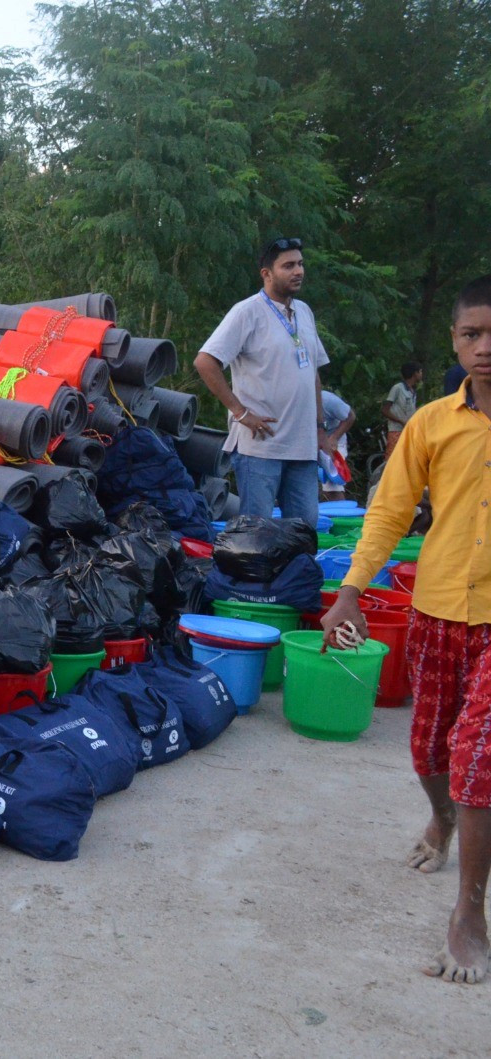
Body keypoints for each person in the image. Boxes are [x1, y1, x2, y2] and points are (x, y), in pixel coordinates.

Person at [322, 274, 491, 985]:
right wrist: (349, 593)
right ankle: (441, 820)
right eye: (472, 334)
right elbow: (390, 510)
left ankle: (468, 910)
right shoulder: (430, 423)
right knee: (428, 749)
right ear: (453, 341)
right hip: (438, 608)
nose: (485, 348)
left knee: (477, 758)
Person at [195, 237, 329, 528]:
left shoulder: (304, 312)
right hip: (261, 448)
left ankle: (296, 576)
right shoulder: (247, 312)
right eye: (288, 266)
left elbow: (313, 373)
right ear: (266, 274)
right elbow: (205, 361)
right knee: (257, 536)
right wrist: (240, 412)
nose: (298, 271)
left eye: (301, 264)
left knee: (303, 532)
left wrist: (320, 428)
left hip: (303, 447)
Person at [318, 388, 356, 499]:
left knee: (332, 485)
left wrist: (334, 438)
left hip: (333, 440)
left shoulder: (327, 400)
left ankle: (340, 514)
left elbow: (351, 416)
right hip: (310, 441)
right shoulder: (295, 400)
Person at [383, 362, 424, 456]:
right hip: (396, 430)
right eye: (420, 372)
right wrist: (400, 421)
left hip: (408, 430)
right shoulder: (398, 388)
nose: (421, 374)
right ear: (415, 373)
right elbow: (385, 410)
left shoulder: (412, 391)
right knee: (393, 458)